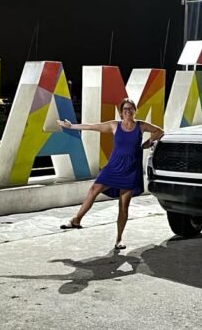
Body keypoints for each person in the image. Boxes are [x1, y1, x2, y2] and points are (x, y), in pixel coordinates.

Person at [57, 98, 164, 250]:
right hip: (113, 167)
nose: (128, 111)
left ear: (134, 110)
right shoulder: (115, 125)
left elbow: (160, 131)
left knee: (123, 207)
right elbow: (91, 127)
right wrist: (71, 126)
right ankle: (76, 220)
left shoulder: (140, 125)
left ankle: (119, 239)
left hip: (131, 169)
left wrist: (148, 143)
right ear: (121, 113)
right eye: (125, 109)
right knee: (94, 189)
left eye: (130, 108)